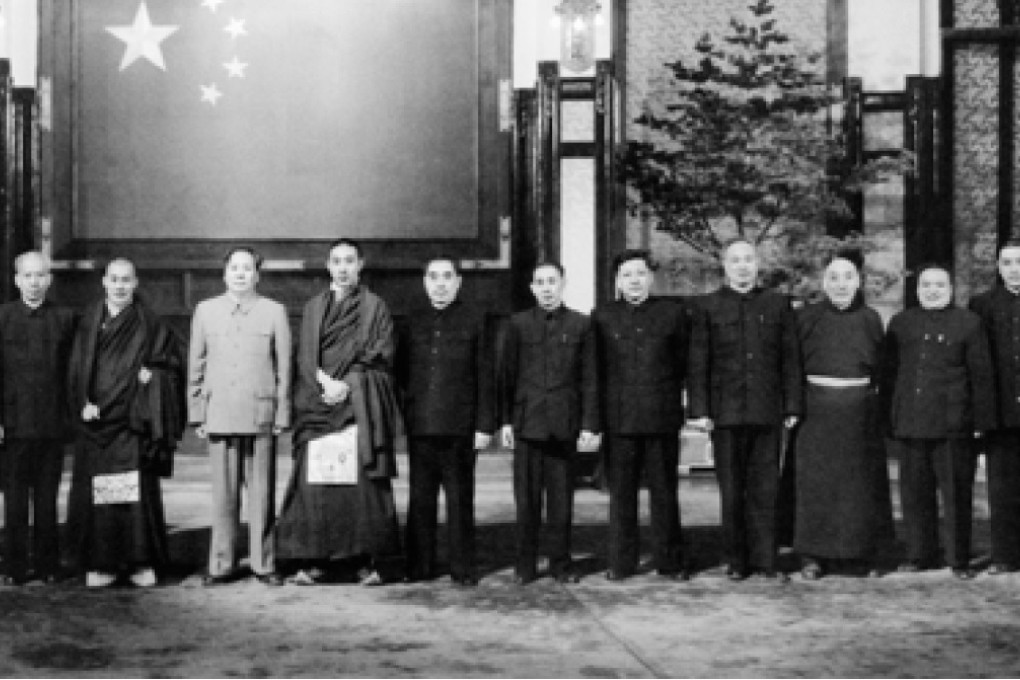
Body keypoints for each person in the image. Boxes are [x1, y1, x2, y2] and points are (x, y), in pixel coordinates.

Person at [274, 239, 403, 585]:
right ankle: (314, 560)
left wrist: (347, 385)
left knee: (359, 487)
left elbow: (381, 352)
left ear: (360, 264)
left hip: (357, 405)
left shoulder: (375, 307)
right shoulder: (315, 307)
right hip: (318, 404)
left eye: (350, 261)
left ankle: (364, 561)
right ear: (328, 266)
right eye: (336, 261)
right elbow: (304, 356)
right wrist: (322, 383)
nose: (343, 268)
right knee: (314, 484)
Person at [66, 258, 186, 587]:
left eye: (126, 280)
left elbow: (173, 365)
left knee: (133, 496)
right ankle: (101, 563)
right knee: (100, 496)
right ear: (104, 282)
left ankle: (138, 562)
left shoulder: (150, 323)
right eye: (114, 280)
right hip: (96, 423)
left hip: (134, 422)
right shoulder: (86, 321)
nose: (120, 286)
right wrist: (82, 402)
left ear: (135, 283)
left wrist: (157, 376)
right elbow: (72, 367)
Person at [691, 238, 802, 582]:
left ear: (758, 265)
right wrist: (701, 410)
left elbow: (790, 358)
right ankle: (736, 559)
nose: (742, 266)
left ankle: (765, 558)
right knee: (732, 489)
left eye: (748, 260)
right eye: (735, 260)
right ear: (725, 266)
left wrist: (792, 404)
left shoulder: (778, 305)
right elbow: (699, 363)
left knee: (765, 488)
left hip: (767, 410)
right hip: (725, 412)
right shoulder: (707, 306)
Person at [592, 249, 705, 581]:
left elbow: (688, 364)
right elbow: (595, 371)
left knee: (664, 493)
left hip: (662, 417)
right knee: (621, 495)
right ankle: (621, 562)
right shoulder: (602, 316)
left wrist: (689, 406)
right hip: (619, 420)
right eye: (627, 275)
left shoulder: (672, 314)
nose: (634, 281)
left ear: (650, 278)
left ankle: (670, 561)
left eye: (640, 274)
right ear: (617, 281)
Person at [882, 264, 994, 579]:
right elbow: (890, 375)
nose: (932, 290)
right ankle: (921, 554)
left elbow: (981, 377)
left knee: (957, 493)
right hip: (912, 420)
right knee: (915, 493)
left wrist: (979, 423)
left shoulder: (969, 324)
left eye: (939, 284)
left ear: (951, 288)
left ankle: (958, 558)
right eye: (926, 285)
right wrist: (890, 418)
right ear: (917, 290)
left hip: (954, 423)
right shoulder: (901, 323)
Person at [188, 247, 291, 587]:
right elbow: (196, 365)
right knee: (223, 497)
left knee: (261, 494)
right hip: (220, 412)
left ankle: (264, 563)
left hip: (260, 413)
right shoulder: (205, 311)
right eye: (235, 268)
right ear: (224, 273)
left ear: (257, 275)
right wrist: (197, 412)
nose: (241, 274)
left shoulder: (274, 312)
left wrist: (282, 411)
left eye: (247, 269)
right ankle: (221, 563)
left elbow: (285, 369)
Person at [791, 253, 894, 579]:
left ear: (858, 282)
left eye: (848, 277)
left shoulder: (871, 318)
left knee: (859, 485)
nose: (840, 285)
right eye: (833, 278)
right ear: (824, 283)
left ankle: (859, 554)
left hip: (859, 413)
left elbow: (882, 368)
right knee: (816, 484)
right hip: (816, 412)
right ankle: (812, 555)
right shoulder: (806, 318)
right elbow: (792, 367)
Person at [397, 256, 495, 586]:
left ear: (458, 282)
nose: (440, 283)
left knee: (459, 499)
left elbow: (485, 375)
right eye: (434, 277)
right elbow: (402, 373)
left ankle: (462, 568)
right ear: (425, 282)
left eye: (447, 277)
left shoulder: (476, 319)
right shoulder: (412, 319)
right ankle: (418, 566)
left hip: (461, 428)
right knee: (420, 500)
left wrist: (484, 426)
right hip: (421, 425)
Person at [500, 261, 599, 585]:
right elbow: (506, 377)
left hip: (563, 425)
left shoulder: (581, 325)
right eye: (539, 282)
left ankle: (561, 563)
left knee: (561, 502)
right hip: (528, 425)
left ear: (563, 284)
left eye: (552, 281)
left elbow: (589, 379)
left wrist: (588, 425)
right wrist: (505, 422)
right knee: (526, 501)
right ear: (532, 287)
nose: (546, 288)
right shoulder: (517, 324)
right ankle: (524, 565)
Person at [0, 252, 78, 585]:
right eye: (27, 275)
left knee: (47, 498)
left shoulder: (65, 318)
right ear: (17, 279)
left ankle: (48, 564)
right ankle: (14, 566)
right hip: (14, 423)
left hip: (51, 423)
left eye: (40, 275)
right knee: (14, 499)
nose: (34, 282)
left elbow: (74, 373)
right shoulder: (2, 318)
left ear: (49, 279)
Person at [970, 240, 1020, 574]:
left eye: (1019, 262)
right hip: (1001, 413)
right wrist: (982, 415)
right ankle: (1005, 555)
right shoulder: (982, 305)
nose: (1014, 269)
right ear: (998, 267)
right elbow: (977, 364)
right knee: (1002, 486)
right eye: (1007, 262)